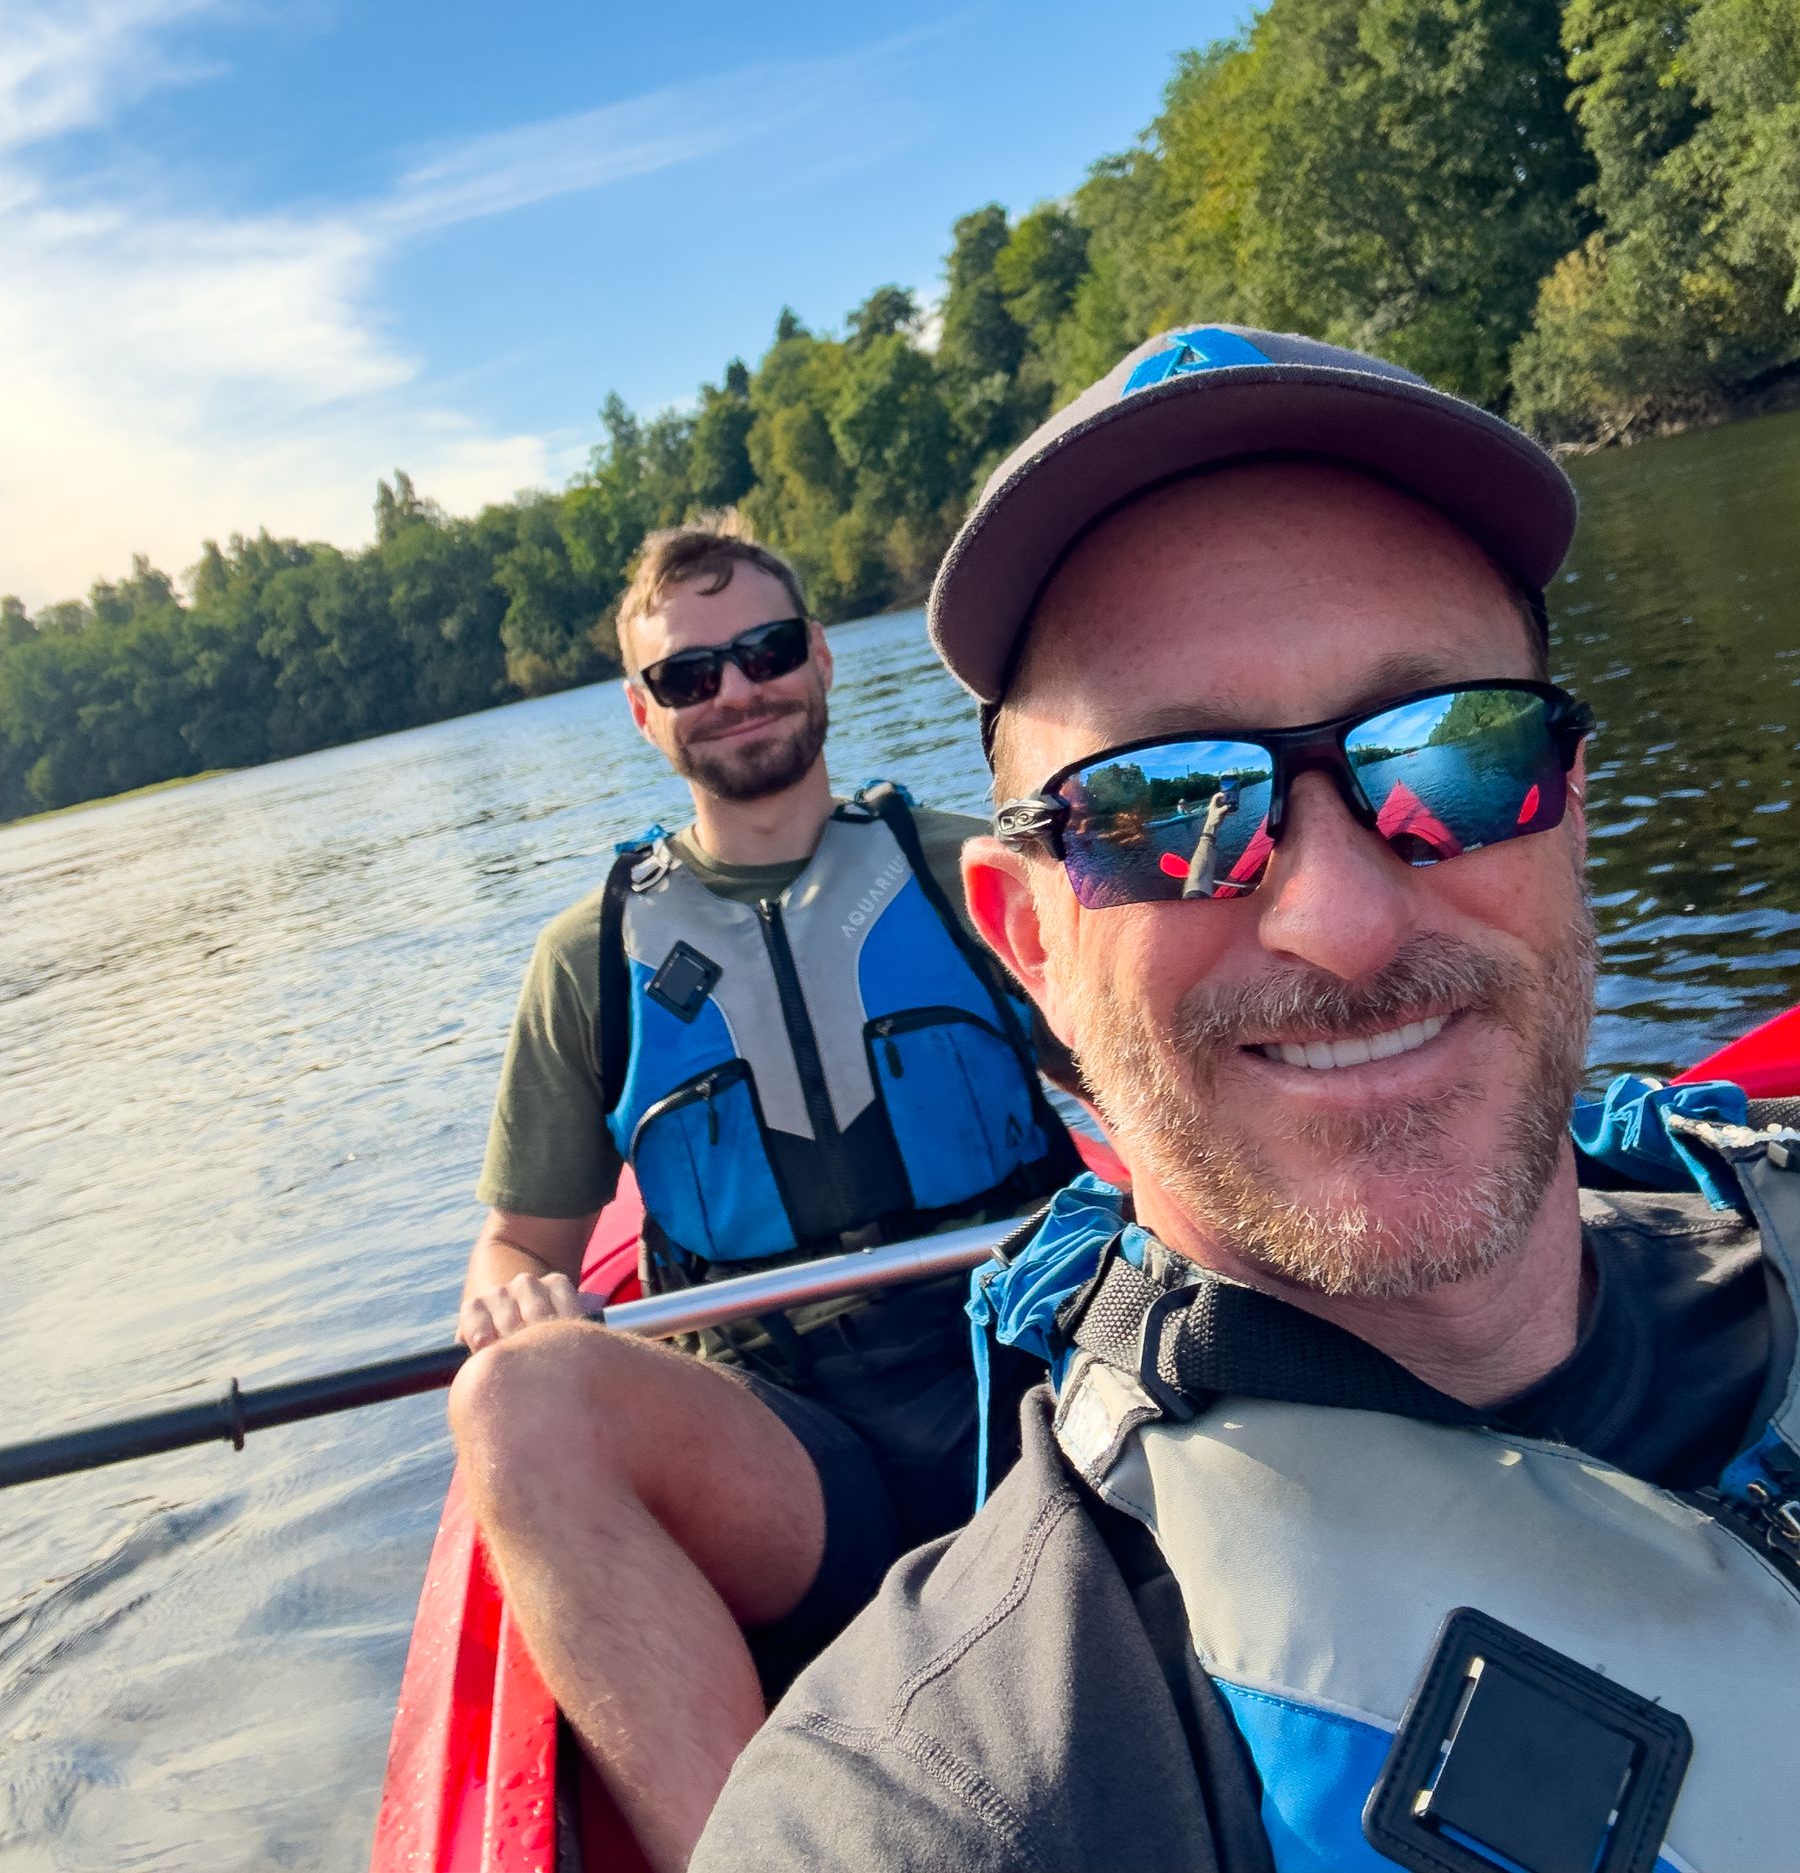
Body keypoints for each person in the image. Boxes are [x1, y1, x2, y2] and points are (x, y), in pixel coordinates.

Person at [692, 327, 1799, 1873]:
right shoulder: (965, 1792)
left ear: (1571, 811)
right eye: (1162, 810)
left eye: (1456, 755)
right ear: (1029, 945)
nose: (1341, 921)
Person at [447, 521, 1079, 1873]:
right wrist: (525, 1307)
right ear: (645, 712)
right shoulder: (594, 960)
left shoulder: (968, 877)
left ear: (820, 658)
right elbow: (515, 1242)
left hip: (1038, 1383)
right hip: (789, 1455)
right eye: (690, 676)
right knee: (513, 1402)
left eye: (765, 650)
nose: (736, 689)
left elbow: (1162, 1094)